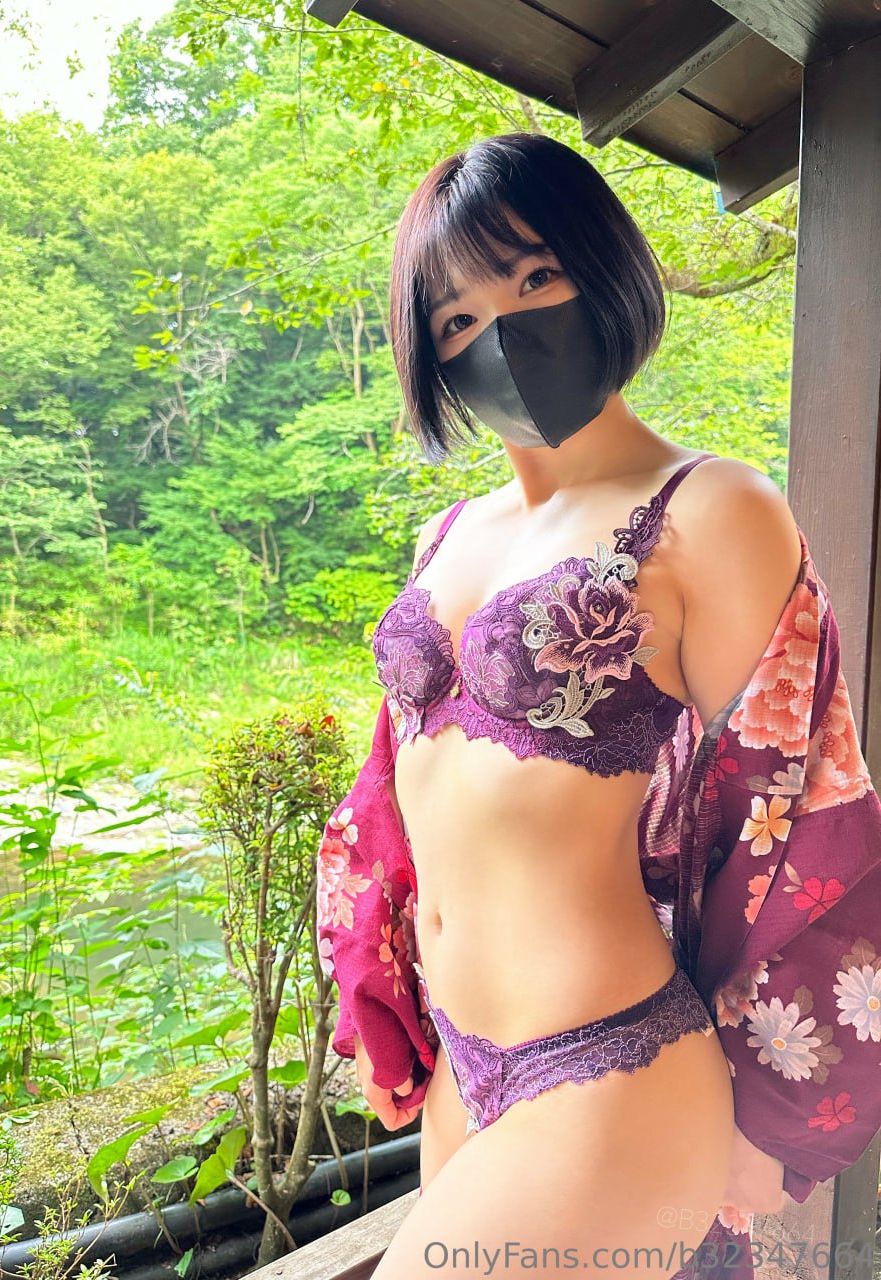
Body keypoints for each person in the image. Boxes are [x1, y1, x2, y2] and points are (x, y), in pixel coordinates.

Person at [315, 132, 881, 1280]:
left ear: (602, 268)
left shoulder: (711, 509)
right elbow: (396, 799)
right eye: (457, 317)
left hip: (610, 1063)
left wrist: (778, 1116)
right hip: (466, 1068)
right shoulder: (444, 536)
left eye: (535, 278)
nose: (503, 333)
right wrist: (381, 1003)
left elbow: (799, 810)